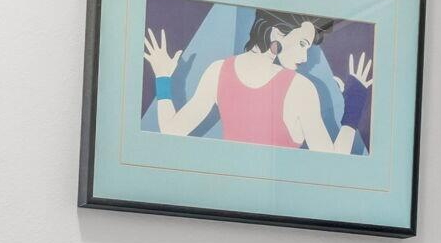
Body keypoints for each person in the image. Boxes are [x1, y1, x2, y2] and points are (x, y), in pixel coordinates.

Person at [145, 8, 372, 152]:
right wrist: (354, 104)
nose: (305, 57)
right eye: (302, 44)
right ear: (276, 34)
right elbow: (331, 160)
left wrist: (163, 76)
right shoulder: (300, 88)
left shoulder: (218, 70)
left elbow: (171, 130)